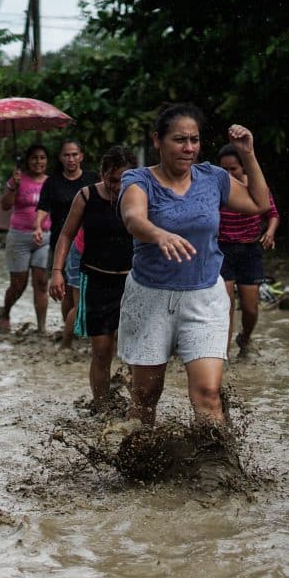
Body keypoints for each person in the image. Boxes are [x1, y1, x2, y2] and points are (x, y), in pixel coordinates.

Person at [117, 104, 271, 425]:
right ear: (157, 140)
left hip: (204, 297)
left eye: (194, 140)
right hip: (150, 297)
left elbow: (259, 203)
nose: (189, 148)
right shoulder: (138, 179)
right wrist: (158, 234)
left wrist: (248, 155)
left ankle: (215, 456)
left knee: (208, 394)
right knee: (145, 396)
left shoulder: (213, 178)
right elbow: (133, 218)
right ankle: (138, 451)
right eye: (179, 140)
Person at [49, 145, 139, 410]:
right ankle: (101, 407)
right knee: (101, 351)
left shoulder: (141, 196)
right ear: (102, 174)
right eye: (112, 180)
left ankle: (139, 409)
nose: (117, 187)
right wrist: (57, 272)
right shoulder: (86, 196)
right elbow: (66, 235)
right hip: (96, 282)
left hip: (133, 285)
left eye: (124, 181)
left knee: (137, 353)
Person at [217, 143, 279, 356]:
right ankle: (222, 355)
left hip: (250, 250)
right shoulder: (217, 189)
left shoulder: (256, 187)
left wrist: (270, 232)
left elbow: (272, 214)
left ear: (243, 166)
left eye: (232, 169)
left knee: (251, 308)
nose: (228, 174)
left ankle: (245, 338)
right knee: (225, 306)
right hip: (222, 250)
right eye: (223, 169)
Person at [35, 140, 98, 347]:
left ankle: (75, 332)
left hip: (89, 243)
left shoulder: (92, 179)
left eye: (74, 154)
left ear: (81, 156)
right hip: (61, 243)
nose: (71, 159)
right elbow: (43, 207)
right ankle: (69, 331)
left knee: (83, 291)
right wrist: (37, 226)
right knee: (67, 293)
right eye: (66, 155)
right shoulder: (52, 182)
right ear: (60, 158)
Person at [0, 144, 50, 332]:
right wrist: (14, 186)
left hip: (45, 238)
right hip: (19, 238)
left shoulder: (51, 182)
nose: (38, 161)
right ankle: (5, 313)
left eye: (42, 158)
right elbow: (5, 205)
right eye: (34, 158)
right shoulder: (18, 180)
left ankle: (41, 327)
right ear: (28, 161)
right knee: (18, 284)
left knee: (41, 282)